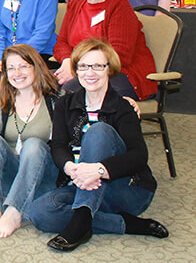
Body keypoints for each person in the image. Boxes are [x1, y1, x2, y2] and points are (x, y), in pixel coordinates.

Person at [28, 39, 168, 252]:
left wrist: (98, 170)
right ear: (76, 70)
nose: (89, 72)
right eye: (83, 66)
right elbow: (57, 145)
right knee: (40, 213)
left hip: (124, 189)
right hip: (80, 183)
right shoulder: (65, 104)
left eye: (97, 66)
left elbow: (139, 156)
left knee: (98, 131)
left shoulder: (123, 107)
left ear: (109, 69)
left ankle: (82, 216)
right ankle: (126, 224)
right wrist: (70, 168)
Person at [0, 44, 60, 238]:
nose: (17, 73)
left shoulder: (57, 99)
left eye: (23, 66)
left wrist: (125, 101)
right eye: (11, 68)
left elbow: (89, 105)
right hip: (11, 177)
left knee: (33, 144)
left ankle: (14, 212)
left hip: (43, 177)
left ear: (36, 67)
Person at [53, 0, 156, 100]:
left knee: (70, 92)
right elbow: (61, 42)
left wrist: (78, 69)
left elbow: (120, 54)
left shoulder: (119, 5)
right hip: (82, 69)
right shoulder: (76, 4)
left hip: (118, 73)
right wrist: (67, 61)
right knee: (43, 84)